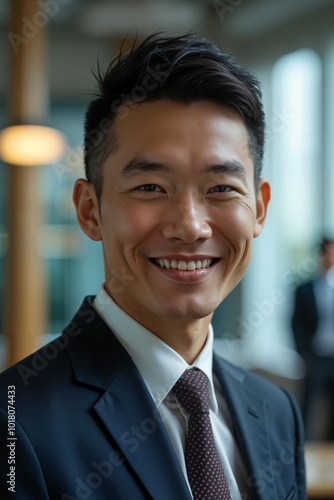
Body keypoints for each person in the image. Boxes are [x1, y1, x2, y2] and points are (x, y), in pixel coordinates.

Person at [0, 34, 306, 499]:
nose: (190, 226)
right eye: (149, 188)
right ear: (88, 209)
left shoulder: (277, 412)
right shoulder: (15, 422)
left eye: (221, 188)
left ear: (259, 209)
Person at [292, 237, 334, 440]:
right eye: (327, 252)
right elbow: (295, 324)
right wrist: (303, 354)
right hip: (315, 356)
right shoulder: (305, 288)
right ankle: (302, 447)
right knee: (308, 405)